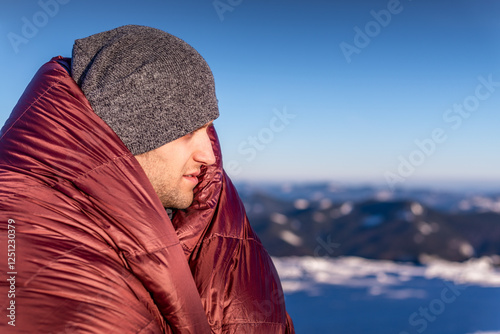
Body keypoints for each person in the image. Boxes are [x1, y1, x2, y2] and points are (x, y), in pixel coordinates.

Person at [0, 25, 294, 333]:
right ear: (129, 136)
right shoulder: (55, 265)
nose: (208, 156)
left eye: (208, 129)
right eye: (187, 133)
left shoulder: (200, 202)